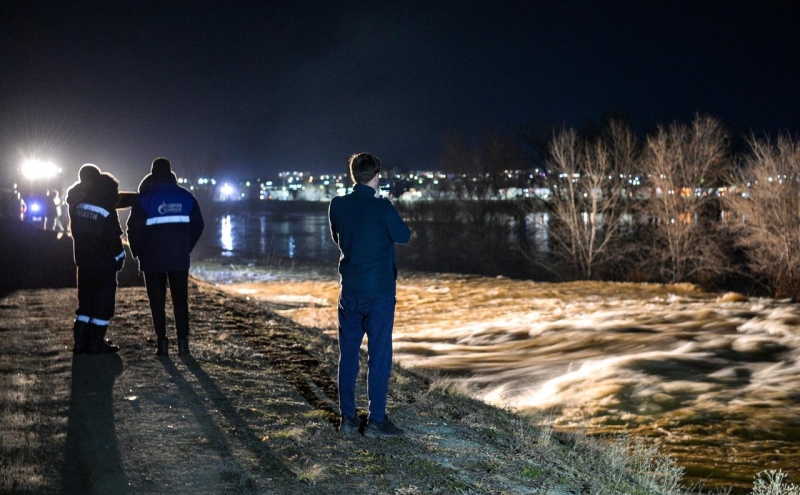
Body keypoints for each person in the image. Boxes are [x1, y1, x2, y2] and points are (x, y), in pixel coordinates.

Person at [328, 152, 411, 437]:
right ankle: (376, 421)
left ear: (354, 175)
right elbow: (403, 235)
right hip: (379, 293)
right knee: (379, 356)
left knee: (348, 356)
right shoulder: (382, 207)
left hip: (350, 291)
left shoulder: (337, 205)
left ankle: (348, 419)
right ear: (376, 176)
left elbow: (338, 238)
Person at [126, 157, 204, 357]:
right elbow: (198, 225)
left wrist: (138, 252)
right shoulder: (186, 197)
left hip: (152, 260)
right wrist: (186, 247)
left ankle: (162, 343)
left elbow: (133, 229)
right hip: (179, 258)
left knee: (157, 302)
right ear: (171, 174)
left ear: (152, 174)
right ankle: (183, 344)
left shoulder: (144, 199)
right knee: (180, 300)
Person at [65, 164, 126, 354]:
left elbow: (76, 231)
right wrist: (120, 257)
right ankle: (96, 343)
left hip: (83, 261)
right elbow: (113, 239)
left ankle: (80, 343)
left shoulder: (78, 205)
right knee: (103, 304)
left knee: (85, 303)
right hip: (104, 264)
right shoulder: (106, 209)